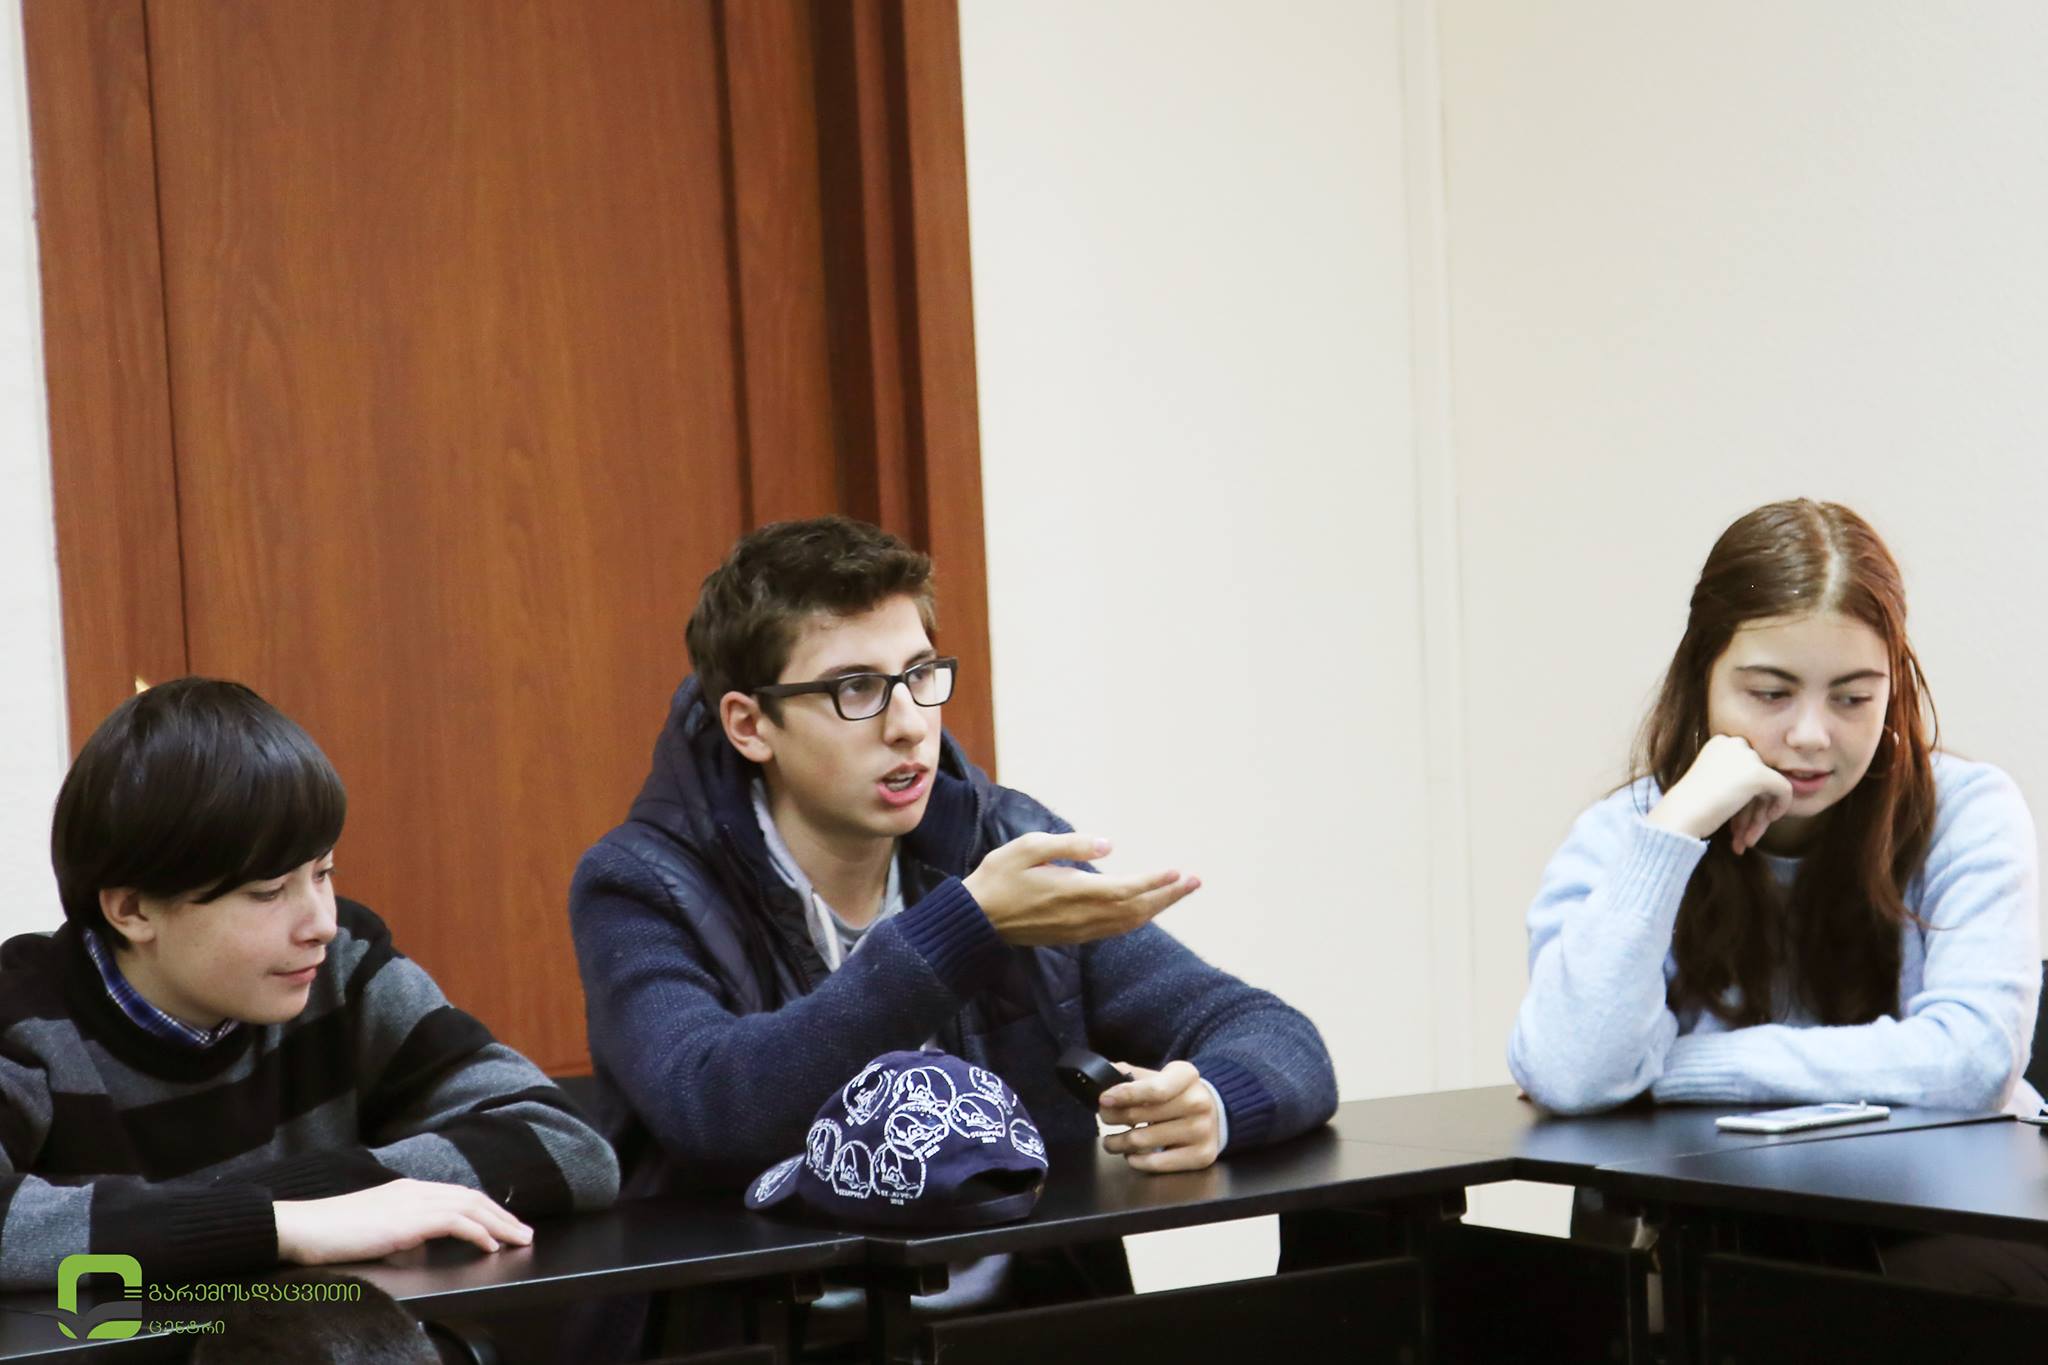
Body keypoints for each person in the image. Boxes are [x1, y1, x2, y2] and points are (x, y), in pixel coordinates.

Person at [569, 515, 1336, 1300]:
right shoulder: (638, 884)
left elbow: (1272, 1034)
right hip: (776, 1328)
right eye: (855, 688)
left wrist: (1216, 1103)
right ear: (750, 724)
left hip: (1022, 1323)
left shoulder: (1001, 841)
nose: (908, 725)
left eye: (920, 674)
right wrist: (962, 929)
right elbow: (713, 1107)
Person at [1508, 498, 2045, 1295]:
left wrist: (1673, 1068)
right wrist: (1674, 831)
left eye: (1853, 697)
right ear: (1702, 678)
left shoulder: (1967, 809)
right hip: (1714, 1226)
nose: (1811, 735)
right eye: (1770, 693)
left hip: (1947, 1220)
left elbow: (1972, 1061)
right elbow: (1568, 1071)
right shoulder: (1632, 832)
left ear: (1894, 689)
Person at [0, 679, 619, 1290]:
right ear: (133, 910)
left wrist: (327, 1197)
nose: (321, 923)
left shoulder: (342, 967)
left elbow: (568, 1146)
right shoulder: (25, 1015)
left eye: (323, 873)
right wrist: (278, 1225)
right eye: (268, 892)